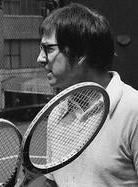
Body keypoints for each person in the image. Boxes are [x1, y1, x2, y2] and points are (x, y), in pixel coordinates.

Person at [36, 3, 138, 187]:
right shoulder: (57, 112)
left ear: (81, 53)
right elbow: (52, 182)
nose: (40, 58)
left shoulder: (134, 110)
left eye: (48, 49)